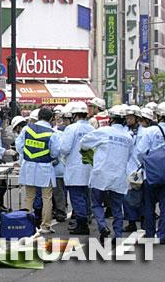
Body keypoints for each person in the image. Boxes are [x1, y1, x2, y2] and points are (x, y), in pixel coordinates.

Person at [80, 105, 134, 242]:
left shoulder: (103, 131)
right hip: (119, 177)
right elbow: (130, 156)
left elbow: (84, 142)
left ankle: (103, 226)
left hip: (101, 175)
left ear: (111, 119)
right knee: (116, 208)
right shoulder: (128, 137)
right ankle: (118, 235)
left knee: (97, 203)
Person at [136, 101, 165, 245]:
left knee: (149, 205)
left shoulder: (151, 131)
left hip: (150, 174)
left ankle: (150, 233)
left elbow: (141, 152)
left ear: (159, 115)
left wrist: (147, 164)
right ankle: (162, 235)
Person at [16, 107, 61, 234]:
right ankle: (45, 226)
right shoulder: (52, 133)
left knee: (29, 196)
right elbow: (55, 152)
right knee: (47, 197)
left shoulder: (27, 128)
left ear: (39, 116)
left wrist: (28, 156)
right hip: (45, 167)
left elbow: (19, 145)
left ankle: (27, 224)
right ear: (51, 118)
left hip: (28, 166)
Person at [60, 101, 95, 235]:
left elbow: (64, 148)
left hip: (74, 168)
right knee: (86, 195)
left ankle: (81, 224)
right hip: (88, 167)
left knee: (77, 196)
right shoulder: (91, 129)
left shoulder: (71, 129)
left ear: (74, 115)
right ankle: (86, 219)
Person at [123, 105, 145, 232]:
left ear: (137, 118)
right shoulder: (125, 132)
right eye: (126, 117)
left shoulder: (145, 132)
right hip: (128, 167)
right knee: (127, 197)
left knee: (141, 196)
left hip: (141, 167)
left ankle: (143, 219)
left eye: (130, 117)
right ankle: (131, 222)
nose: (127, 119)